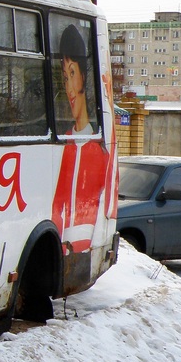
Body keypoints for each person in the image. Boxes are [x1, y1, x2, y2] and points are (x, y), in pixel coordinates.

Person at [51, 24, 112, 254]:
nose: (68, 87)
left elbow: (103, 206)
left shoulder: (100, 150)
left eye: (72, 73)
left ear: (84, 77)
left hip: (87, 250)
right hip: (62, 249)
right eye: (64, 77)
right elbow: (57, 204)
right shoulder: (65, 142)